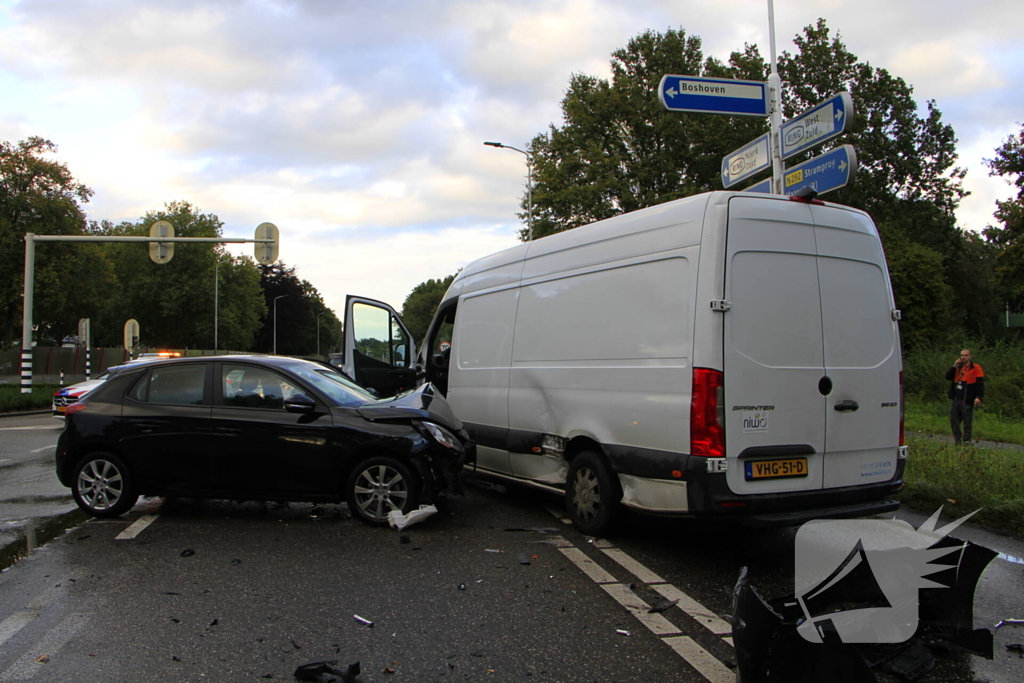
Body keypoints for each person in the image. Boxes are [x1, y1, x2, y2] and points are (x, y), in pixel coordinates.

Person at [946, 349, 985, 445]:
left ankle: (966, 441)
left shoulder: (976, 368)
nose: (963, 357)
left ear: (970, 357)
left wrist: (978, 396)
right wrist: (954, 366)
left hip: (967, 399)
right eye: (962, 355)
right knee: (953, 421)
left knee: (967, 423)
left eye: (966, 355)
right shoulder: (957, 368)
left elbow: (980, 383)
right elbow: (947, 377)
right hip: (956, 399)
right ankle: (957, 440)